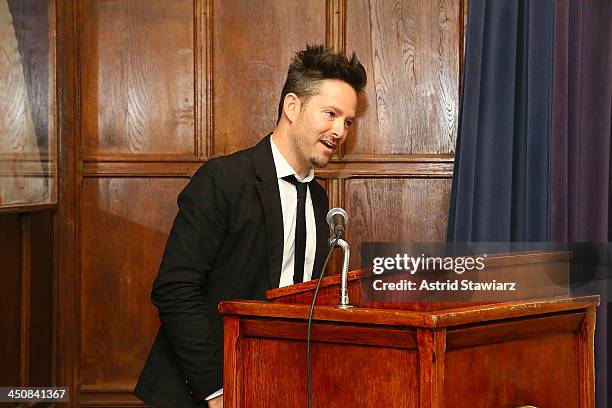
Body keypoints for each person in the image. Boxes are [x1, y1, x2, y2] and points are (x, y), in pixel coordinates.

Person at [134, 44, 367, 408]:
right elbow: (174, 289)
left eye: (348, 121)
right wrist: (217, 390)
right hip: (199, 393)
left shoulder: (320, 201)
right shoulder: (223, 179)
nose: (340, 131)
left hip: (272, 385)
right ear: (292, 107)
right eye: (331, 114)